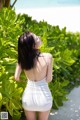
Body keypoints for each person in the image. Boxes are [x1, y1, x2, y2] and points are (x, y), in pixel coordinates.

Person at [14, 31, 53, 120]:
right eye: (36, 37)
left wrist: (25, 81)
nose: (39, 37)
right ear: (33, 45)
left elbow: (16, 77)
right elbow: (49, 79)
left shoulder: (22, 60)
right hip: (44, 98)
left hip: (28, 98)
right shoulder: (48, 57)